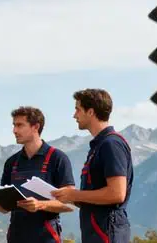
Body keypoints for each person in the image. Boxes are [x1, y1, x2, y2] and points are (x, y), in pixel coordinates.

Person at [51, 88, 133, 243]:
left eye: (78, 109)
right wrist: (68, 195)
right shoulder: (99, 145)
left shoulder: (111, 144)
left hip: (107, 231)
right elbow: (95, 193)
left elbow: (117, 194)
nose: (74, 115)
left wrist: (75, 195)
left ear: (90, 112)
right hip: (98, 230)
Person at [0, 106, 76, 243]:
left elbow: (70, 204)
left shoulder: (57, 158)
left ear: (35, 127)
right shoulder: (12, 162)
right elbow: (3, 209)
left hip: (46, 236)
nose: (14, 130)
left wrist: (40, 205)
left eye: (20, 125)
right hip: (16, 236)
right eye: (14, 125)